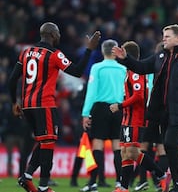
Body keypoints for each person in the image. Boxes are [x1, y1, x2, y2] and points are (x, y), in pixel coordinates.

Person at [112, 24, 178, 192]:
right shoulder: (161, 56)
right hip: (162, 112)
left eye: (167, 36)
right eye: (163, 35)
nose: (163, 38)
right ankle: (177, 182)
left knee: (170, 144)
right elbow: (141, 67)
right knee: (168, 145)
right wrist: (125, 59)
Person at [8, 22, 100, 192]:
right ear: (51, 34)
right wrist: (89, 50)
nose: (59, 36)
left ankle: (27, 177)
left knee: (43, 142)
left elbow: (13, 79)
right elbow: (78, 71)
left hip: (27, 105)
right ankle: (43, 186)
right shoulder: (54, 55)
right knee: (48, 143)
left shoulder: (26, 52)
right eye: (57, 33)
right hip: (44, 104)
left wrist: (15, 102)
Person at [109, 41, 169, 192]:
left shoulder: (136, 72)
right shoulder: (129, 71)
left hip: (135, 118)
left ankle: (161, 175)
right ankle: (123, 187)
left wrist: (120, 105)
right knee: (125, 153)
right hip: (127, 118)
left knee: (132, 152)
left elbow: (138, 96)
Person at [80, 39, 126, 192]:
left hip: (100, 108)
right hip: (118, 108)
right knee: (117, 146)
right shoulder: (122, 69)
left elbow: (91, 92)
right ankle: (120, 182)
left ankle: (93, 182)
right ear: (115, 51)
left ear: (102, 51)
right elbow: (126, 92)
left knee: (98, 144)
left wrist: (86, 113)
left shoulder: (97, 68)